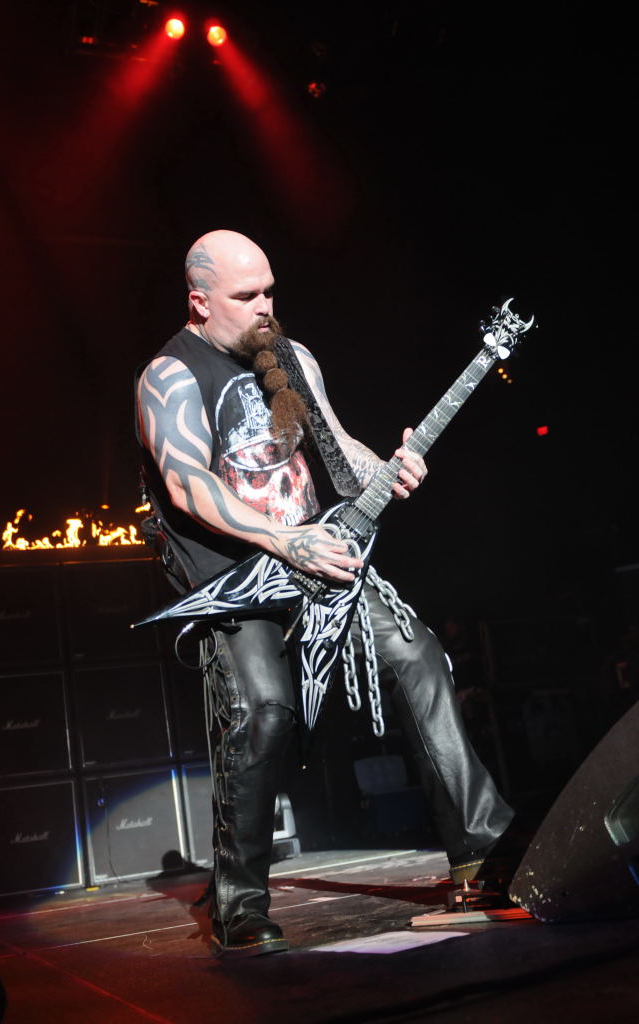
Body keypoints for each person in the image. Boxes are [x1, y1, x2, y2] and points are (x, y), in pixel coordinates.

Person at [136, 229, 515, 957]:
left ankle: (481, 855)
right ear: (200, 301)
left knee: (418, 659)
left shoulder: (291, 358)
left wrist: (390, 466)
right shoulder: (170, 376)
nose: (264, 306)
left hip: (319, 560)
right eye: (246, 296)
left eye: (270, 291)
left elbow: (338, 449)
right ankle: (239, 903)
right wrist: (283, 540)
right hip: (236, 576)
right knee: (263, 711)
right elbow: (186, 483)